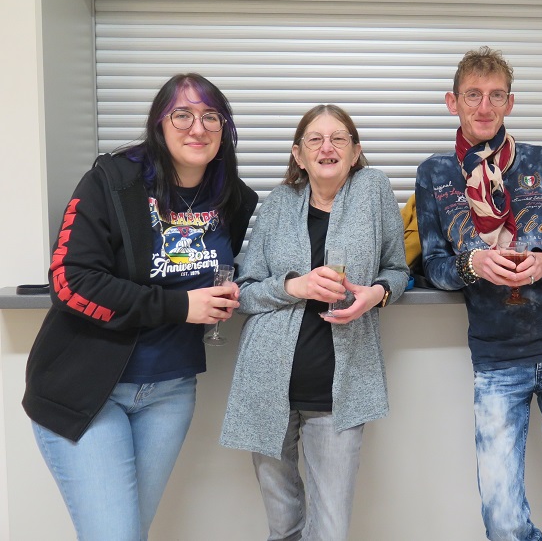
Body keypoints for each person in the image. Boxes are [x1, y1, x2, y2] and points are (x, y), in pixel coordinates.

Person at [23, 73, 258, 540]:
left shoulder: (233, 197)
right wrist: (179, 307)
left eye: (211, 116)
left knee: (129, 532)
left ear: (225, 129)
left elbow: (225, 270)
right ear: (159, 124)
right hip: (88, 390)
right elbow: (70, 282)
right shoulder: (112, 182)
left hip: (170, 392)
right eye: (182, 115)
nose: (198, 128)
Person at [415, 47, 542, 541]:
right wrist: (473, 263)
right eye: (473, 95)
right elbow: (434, 266)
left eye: (496, 95)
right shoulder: (436, 174)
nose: (485, 106)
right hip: (498, 358)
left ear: (510, 103)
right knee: (502, 520)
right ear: (452, 102)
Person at [220, 104, 408, 541]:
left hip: (338, 392)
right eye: (315, 140)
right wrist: (294, 286)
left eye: (339, 138)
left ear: (355, 151)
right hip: (267, 386)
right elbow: (245, 293)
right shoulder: (276, 205)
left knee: (331, 531)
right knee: (284, 526)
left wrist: (376, 295)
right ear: (298, 154)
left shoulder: (373, 190)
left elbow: (397, 270)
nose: (327, 147)